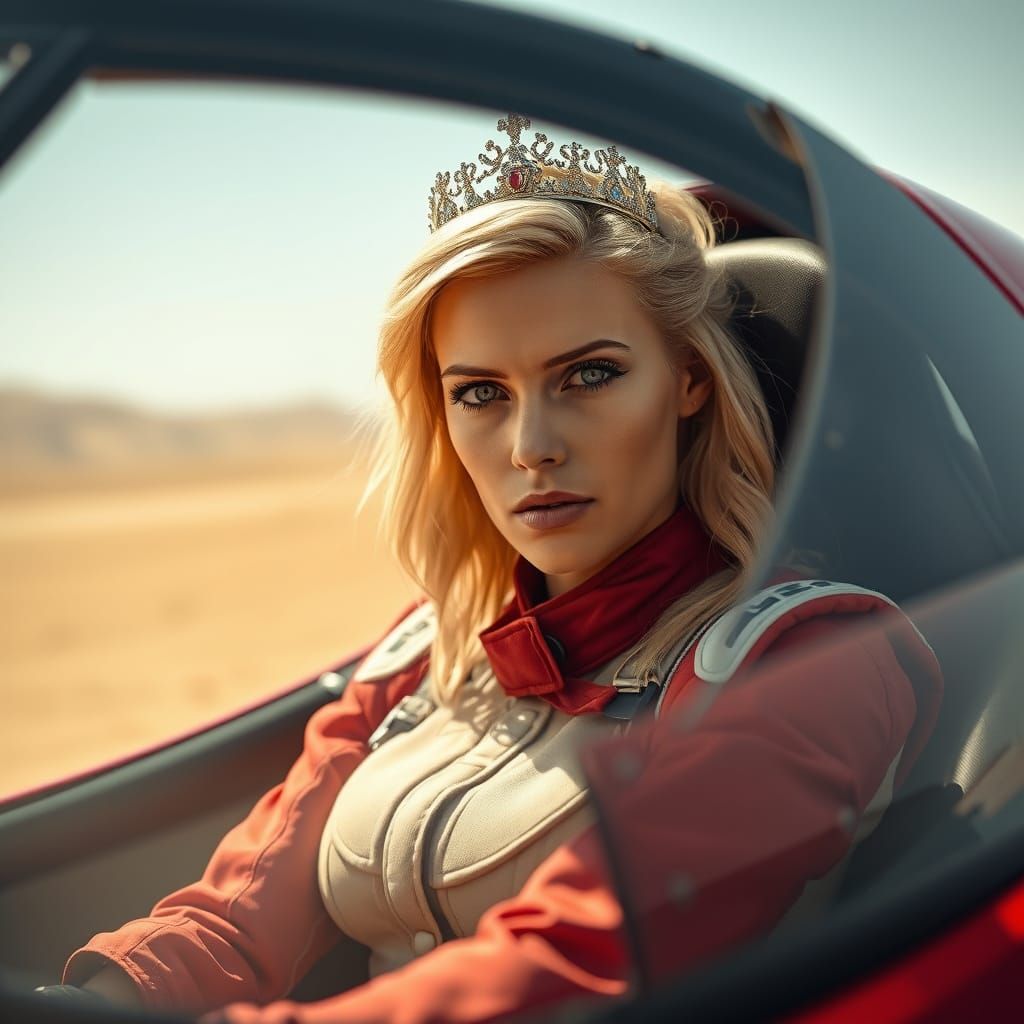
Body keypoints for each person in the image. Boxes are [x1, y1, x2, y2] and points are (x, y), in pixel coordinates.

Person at [48, 114, 941, 1023]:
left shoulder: (808, 657)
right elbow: (232, 926)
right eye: (480, 393)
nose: (530, 447)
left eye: (588, 375)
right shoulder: (425, 651)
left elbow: (573, 968)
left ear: (689, 380)